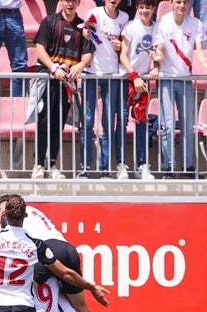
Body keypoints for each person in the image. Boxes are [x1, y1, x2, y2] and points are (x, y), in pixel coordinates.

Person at [30, 0, 93, 179]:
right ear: (61, 2)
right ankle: (38, 165)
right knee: (44, 121)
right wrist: (53, 68)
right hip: (47, 78)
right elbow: (40, 49)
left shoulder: (83, 27)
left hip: (67, 83)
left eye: (74, 0)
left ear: (78, 3)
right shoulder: (49, 22)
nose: (70, 4)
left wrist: (80, 65)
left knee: (59, 123)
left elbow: (88, 54)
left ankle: (52, 165)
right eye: (67, 0)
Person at [153, 0, 207, 179]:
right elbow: (160, 48)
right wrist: (157, 56)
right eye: (178, 2)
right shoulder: (162, 22)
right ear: (171, 3)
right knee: (168, 126)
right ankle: (169, 167)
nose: (182, 5)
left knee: (188, 126)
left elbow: (199, 51)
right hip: (166, 80)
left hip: (185, 80)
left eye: (185, 2)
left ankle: (187, 166)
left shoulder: (196, 24)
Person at [80, 0, 130, 179]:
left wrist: (120, 46)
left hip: (112, 74)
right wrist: (86, 32)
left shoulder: (124, 17)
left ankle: (105, 168)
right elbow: (86, 32)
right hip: (91, 72)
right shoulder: (95, 12)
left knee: (108, 122)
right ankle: (85, 167)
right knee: (87, 121)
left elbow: (126, 45)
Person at [119, 0, 159, 180]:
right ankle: (121, 164)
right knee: (122, 121)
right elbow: (123, 55)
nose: (144, 10)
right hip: (127, 78)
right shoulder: (130, 27)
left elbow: (157, 52)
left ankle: (142, 164)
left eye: (148, 7)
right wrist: (133, 75)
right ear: (137, 8)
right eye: (141, 7)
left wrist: (155, 67)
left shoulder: (157, 28)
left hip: (142, 80)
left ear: (153, 9)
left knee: (141, 121)